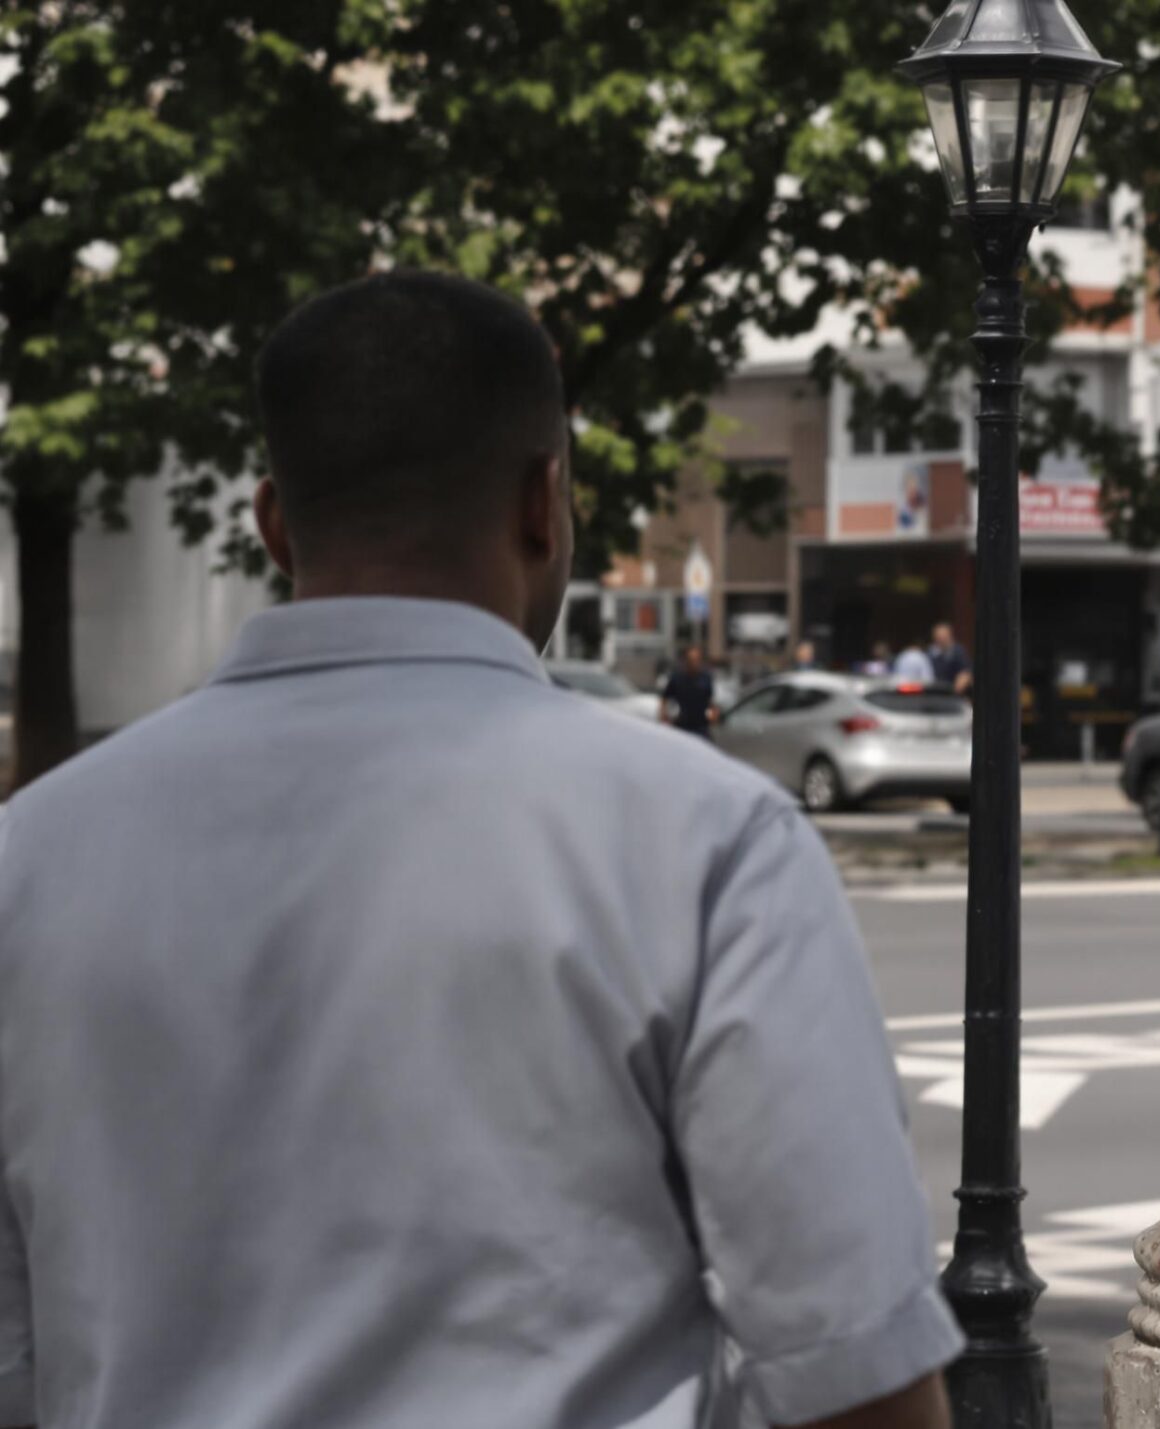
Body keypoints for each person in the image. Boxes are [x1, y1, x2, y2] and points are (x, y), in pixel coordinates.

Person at [0, 270, 959, 1429]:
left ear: (271, 522)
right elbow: (853, 1370)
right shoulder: (703, 839)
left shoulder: (32, 856)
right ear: (545, 503)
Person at [661, 644, 720, 738]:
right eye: (691, 660)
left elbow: (710, 700)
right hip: (682, 725)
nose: (694, 663)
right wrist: (664, 716)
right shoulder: (677, 678)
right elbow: (665, 698)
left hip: (701, 726)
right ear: (686, 661)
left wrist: (714, 713)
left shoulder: (705, 678)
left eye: (697, 660)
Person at [926, 621, 972, 694]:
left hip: (952, 692)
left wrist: (962, 681)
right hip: (933, 691)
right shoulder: (929, 653)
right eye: (939, 637)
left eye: (944, 637)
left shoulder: (958, 652)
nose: (941, 639)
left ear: (950, 636)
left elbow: (965, 672)